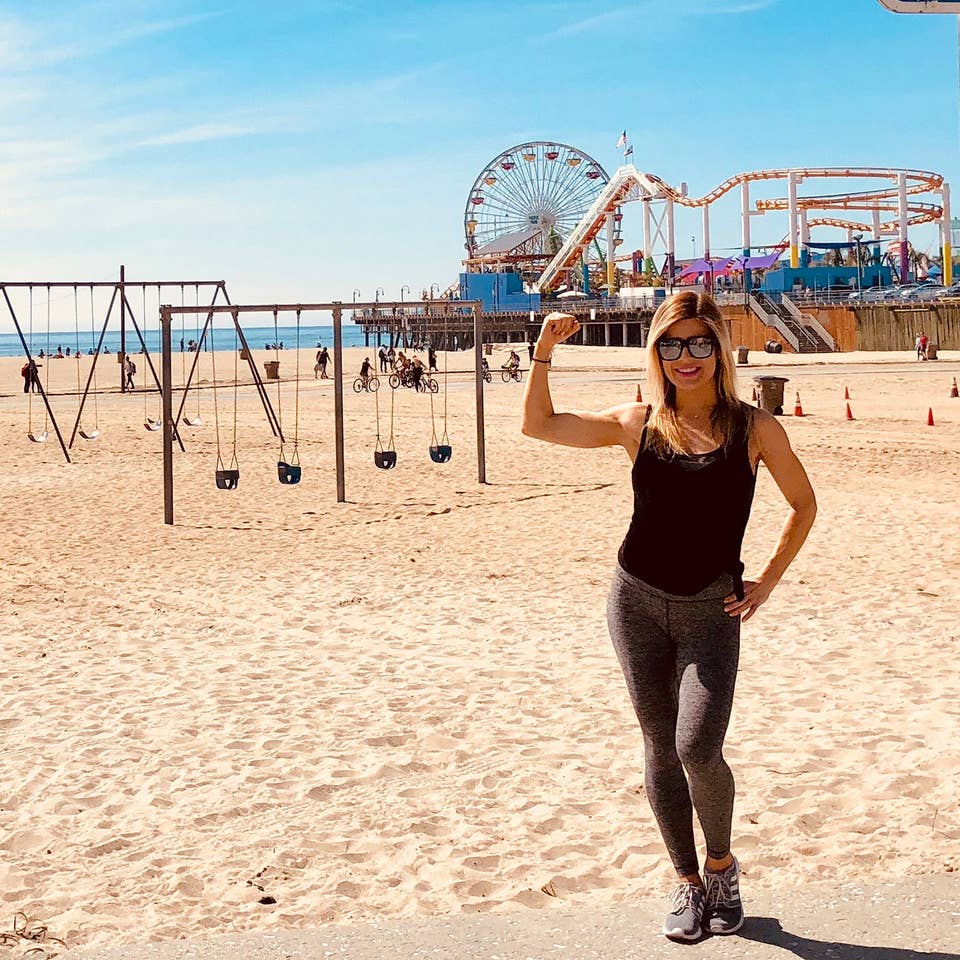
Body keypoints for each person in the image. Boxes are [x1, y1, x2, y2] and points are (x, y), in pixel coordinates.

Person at [520, 293, 817, 943]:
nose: (687, 358)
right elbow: (538, 425)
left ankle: (721, 867)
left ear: (720, 347)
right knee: (660, 746)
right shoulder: (638, 422)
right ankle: (686, 882)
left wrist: (767, 581)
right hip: (635, 603)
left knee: (698, 748)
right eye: (671, 345)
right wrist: (544, 350)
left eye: (700, 343)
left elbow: (804, 505)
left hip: (712, 610)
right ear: (656, 353)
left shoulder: (756, 429)